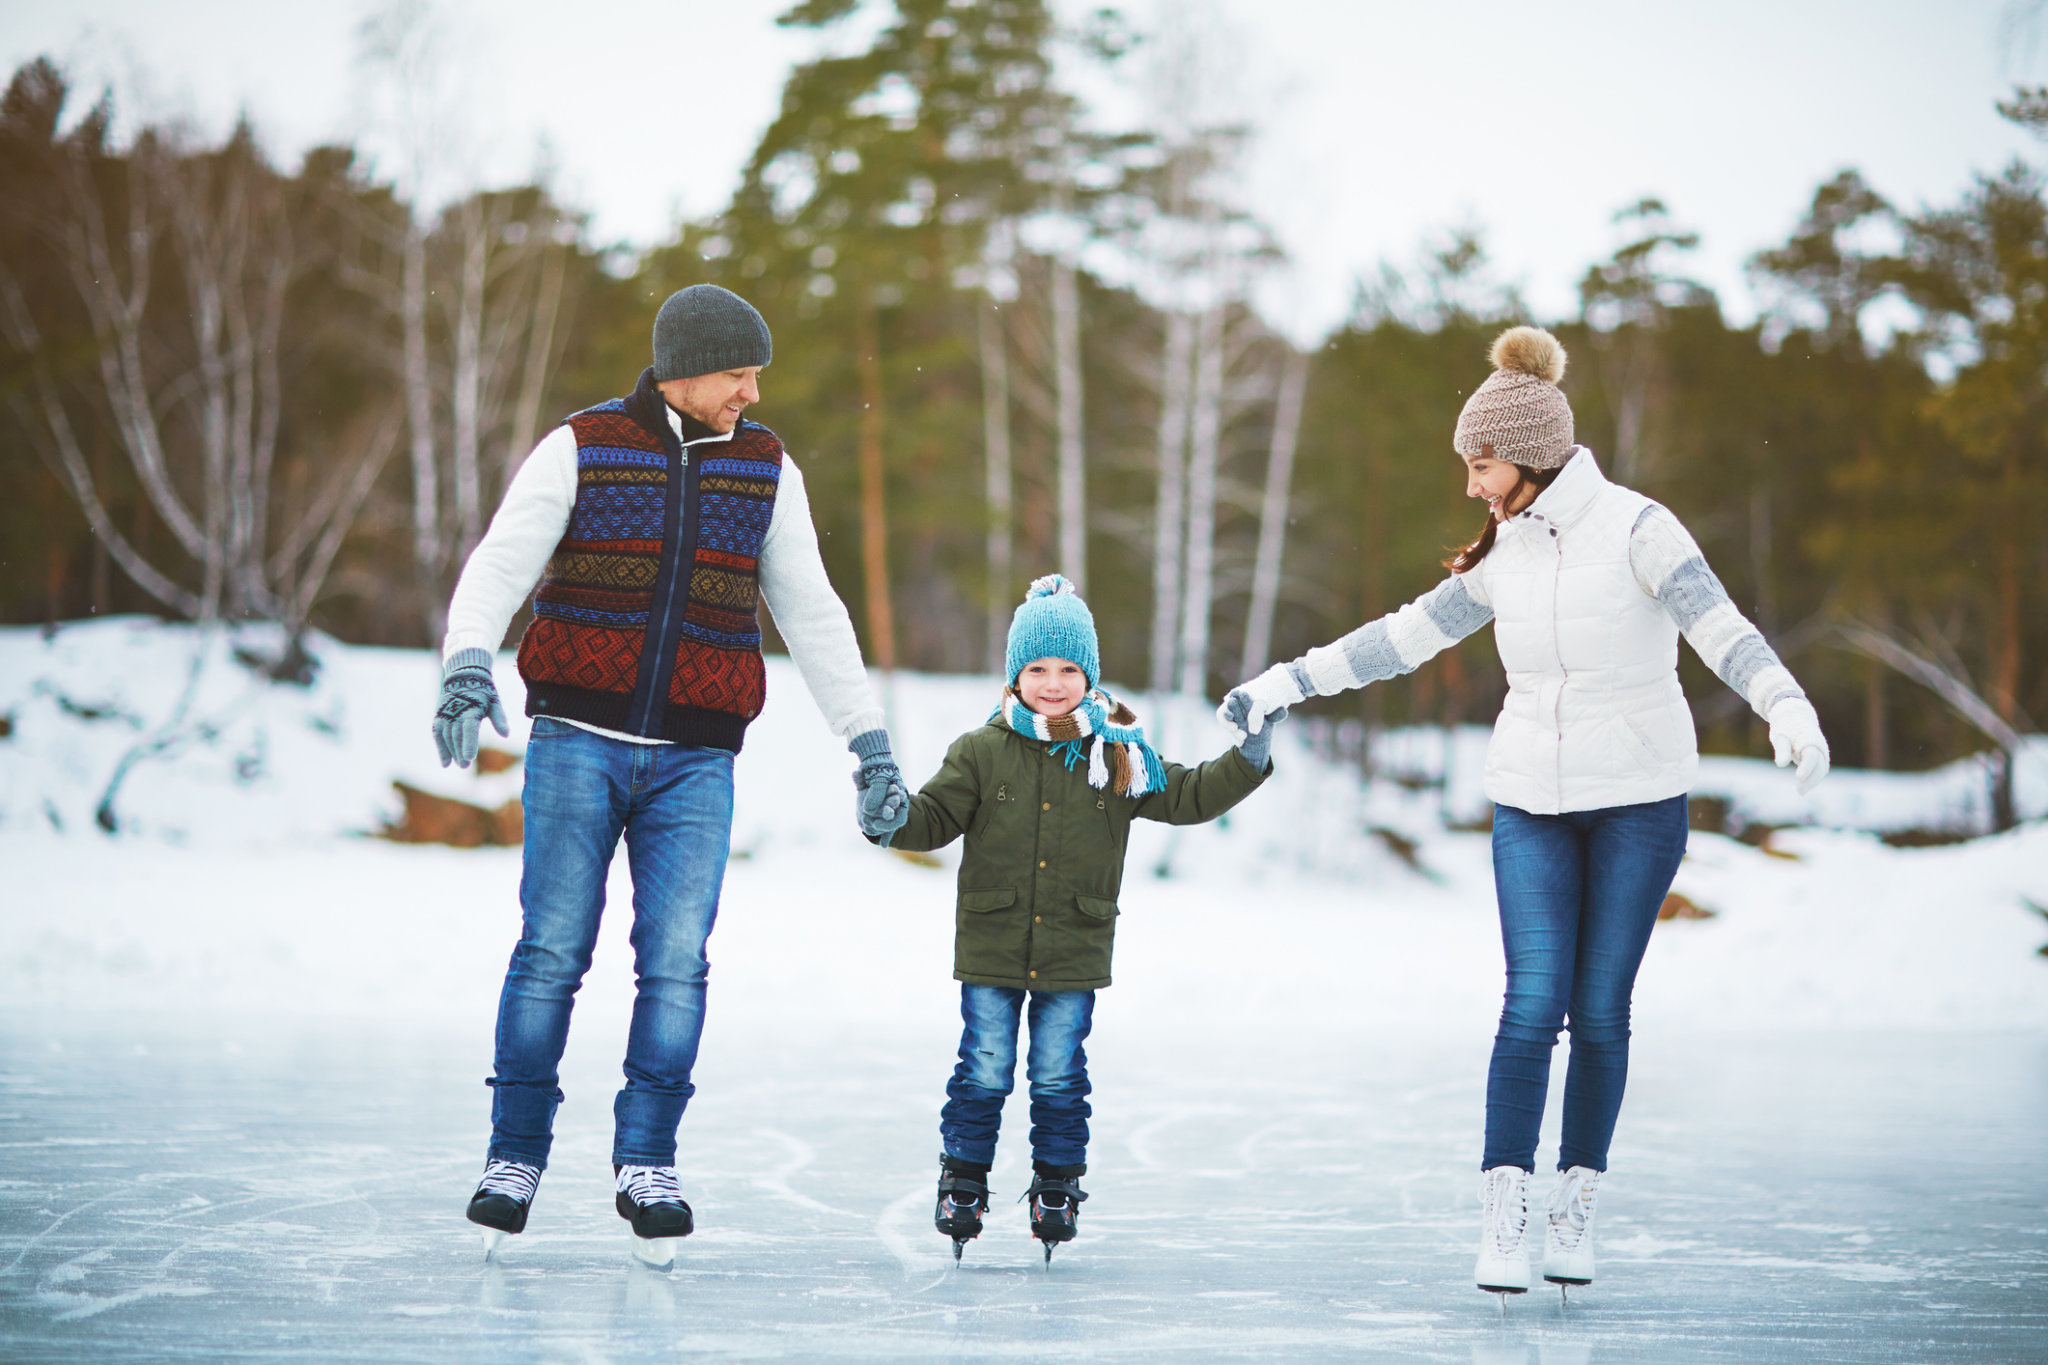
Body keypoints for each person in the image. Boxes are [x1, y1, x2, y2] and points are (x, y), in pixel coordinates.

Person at [1219, 326, 1830, 1296]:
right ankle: (1502, 1217)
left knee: (1598, 1011)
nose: (1470, 484)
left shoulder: (1638, 529)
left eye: (1481, 463)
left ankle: (1572, 1205)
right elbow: (1401, 640)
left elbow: (1720, 628)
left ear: (1534, 455)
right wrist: (1285, 683)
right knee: (1529, 1003)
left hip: (1636, 802)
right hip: (1529, 803)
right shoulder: (1506, 551)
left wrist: (1784, 705)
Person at [429, 284, 911, 1265]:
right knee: (552, 951)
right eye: (739, 372)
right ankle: (512, 1156)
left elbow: (812, 613)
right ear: (687, 366)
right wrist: (468, 661)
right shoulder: (583, 447)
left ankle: (646, 1161)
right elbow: (498, 564)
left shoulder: (766, 471)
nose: (751, 390)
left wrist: (868, 742)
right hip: (576, 740)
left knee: (677, 962)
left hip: (697, 758)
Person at [881, 575, 1280, 1263]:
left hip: (1074, 944)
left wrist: (1248, 759)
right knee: (984, 1067)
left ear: (1089, 673)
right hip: (993, 941)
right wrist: (888, 817)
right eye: (1037, 668)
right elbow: (932, 818)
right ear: (1015, 675)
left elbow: (1185, 794)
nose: (1053, 682)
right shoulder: (981, 749)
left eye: (1068, 668)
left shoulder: (1116, 751)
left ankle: (1057, 1184)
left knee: (1060, 1071)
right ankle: (964, 1178)